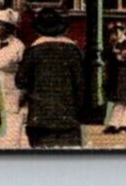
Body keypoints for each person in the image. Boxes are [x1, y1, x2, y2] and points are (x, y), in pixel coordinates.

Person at [15, 8, 84, 148]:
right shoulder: (73, 51)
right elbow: (81, 85)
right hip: (68, 118)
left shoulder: (33, 51)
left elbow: (20, 81)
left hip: (40, 118)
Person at [0, 8, 28, 148]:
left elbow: (23, 71)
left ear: (9, 28)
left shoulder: (18, 46)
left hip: (10, 89)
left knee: (10, 128)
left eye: (0, 25)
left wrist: (22, 93)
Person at [103, 22, 126, 134]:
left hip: (125, 74)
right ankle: (122, 124)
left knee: (123, 99)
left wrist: (118, 55)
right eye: (113, 32)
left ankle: (116, 124)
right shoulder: (114, 44)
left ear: (122, 31)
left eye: (117, 31)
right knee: (121, 99)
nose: (115, 34)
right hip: (116, 74)